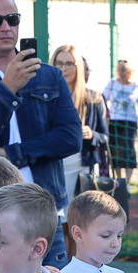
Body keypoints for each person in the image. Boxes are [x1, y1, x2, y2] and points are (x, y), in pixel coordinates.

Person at [0, 0, 82, 270]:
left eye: (13, 19)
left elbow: (71, 138)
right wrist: (7, 88)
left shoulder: (48, 76)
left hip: (40, 209)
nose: (6, 27)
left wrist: (11, 154)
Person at [52, 45, 108, 199]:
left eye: (69, 64)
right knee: (58, 217)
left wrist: (92, 134)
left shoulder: (93, 98)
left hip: (83, 168)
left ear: (79, 67)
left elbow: (105, 137)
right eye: (59, 63)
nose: (64, 68)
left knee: (81, 216)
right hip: (53, 165)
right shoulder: (46, 97)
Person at [102, 60, 138, 185]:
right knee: (115, 151)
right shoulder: (112, 83)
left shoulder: (135, 87)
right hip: (115, 122)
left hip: (130, 122)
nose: (122, 73)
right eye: (120, 70)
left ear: (129, 72)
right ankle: (118, 180)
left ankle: (126, 183)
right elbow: (102, 98)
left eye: (125, 71)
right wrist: (105, 115)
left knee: (128, 151)